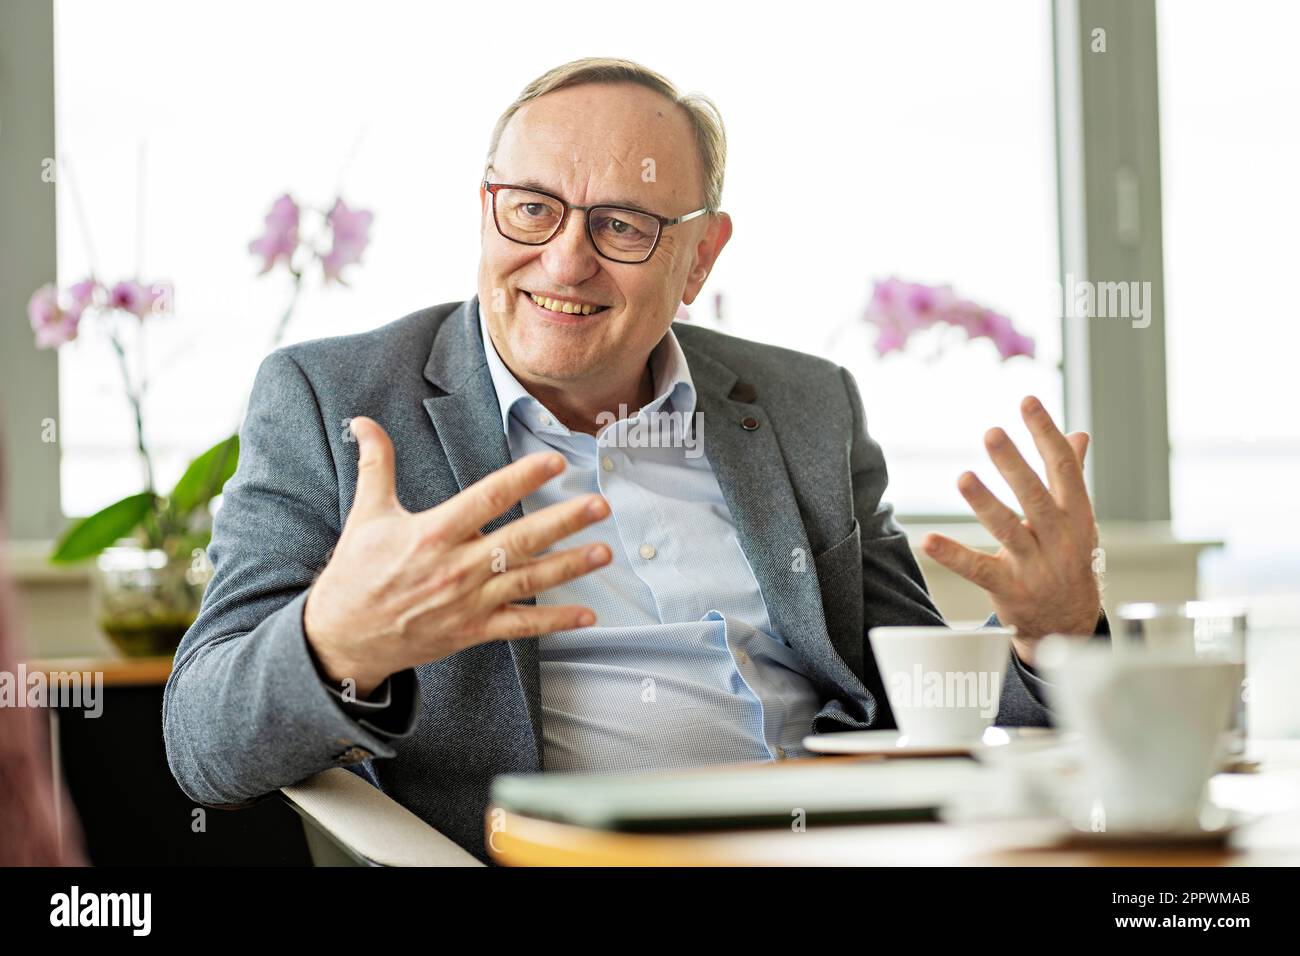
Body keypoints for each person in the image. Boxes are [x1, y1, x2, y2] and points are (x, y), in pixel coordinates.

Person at [163, 57, 1106, 863]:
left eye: (621, 225)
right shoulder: (335, 400)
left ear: (699, 257)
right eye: (531, 209)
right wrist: (339, 642)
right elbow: (202, 744)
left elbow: (922, 708)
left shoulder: (807, 406)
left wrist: (1051, 640)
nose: (564, 263)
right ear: (487, 212)